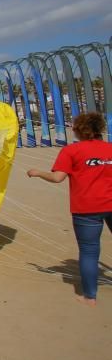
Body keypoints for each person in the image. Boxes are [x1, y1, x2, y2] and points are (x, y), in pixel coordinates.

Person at [27, 112, 112, 307]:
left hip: (87, 209)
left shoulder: (72, 151)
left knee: (89, 252)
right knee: (90, 251)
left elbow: (57, 178)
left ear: (78, 130)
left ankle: (90, 297)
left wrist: (37, 172)